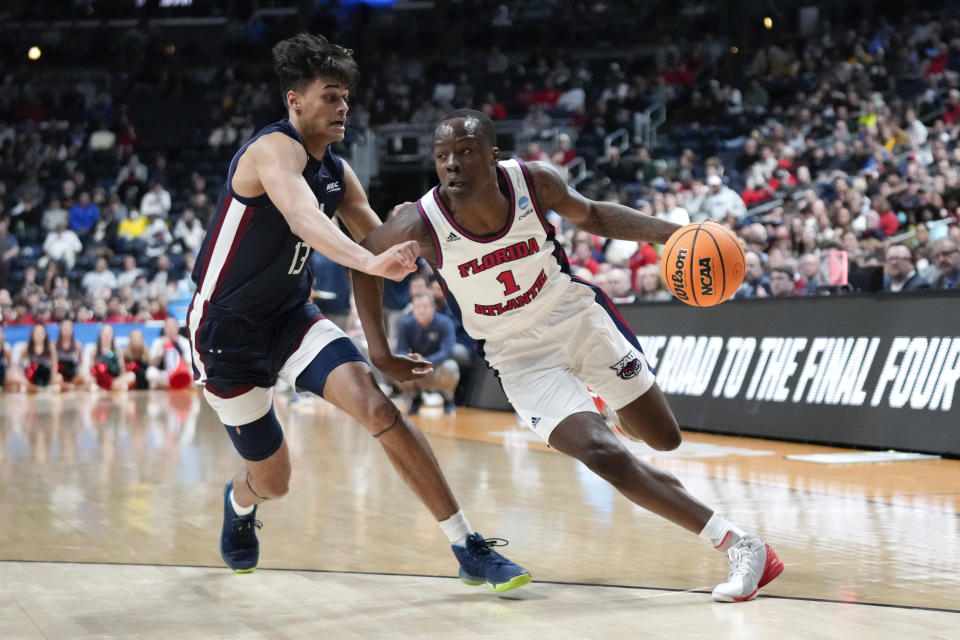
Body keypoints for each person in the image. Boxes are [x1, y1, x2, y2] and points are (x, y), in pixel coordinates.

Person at [352, 109, 783, 603]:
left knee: (663, 439)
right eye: (442, 156)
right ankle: (742, 545)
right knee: (604, 456)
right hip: (517, 356)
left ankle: (606, 405)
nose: (452, 165)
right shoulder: (421, 222)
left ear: (493, 155)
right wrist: (380, 352)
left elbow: (594, 214)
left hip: (578, 321)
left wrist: (672, 234)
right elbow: (363, 266)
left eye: (465, 152)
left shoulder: (534, 183)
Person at [186, 35, 529, 591]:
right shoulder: (270, 151)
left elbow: (373, 234)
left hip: (293, 318)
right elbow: (304, 219)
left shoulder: (338, 172)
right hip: (225, 333)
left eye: (346, 97)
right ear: (296, 100)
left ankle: (467, 545)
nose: (344, 107)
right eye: (331, 96)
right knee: (274, 480)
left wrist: (408, 230)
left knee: (376, 407)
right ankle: (240, 500)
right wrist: (370, 253)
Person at [395, 292, 459, 414]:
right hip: (416, 366)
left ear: (433, 307)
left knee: (451, 367)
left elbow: (447, 351)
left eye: (425, 306)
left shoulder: (445, 323)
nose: (421, 310)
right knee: (396, 369)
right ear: (413, 309)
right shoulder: (406, 324)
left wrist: (426, 361)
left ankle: (448, 397)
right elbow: (401, 350)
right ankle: (415, 397)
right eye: (417, 307)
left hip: (437, 366)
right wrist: (410, 359)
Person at [19, 323, 60, 392]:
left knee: (58, 378)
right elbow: (19, 366)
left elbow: (54, 366)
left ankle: (43, 389)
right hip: (32, 379)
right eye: (36, 332)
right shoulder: (26, 348)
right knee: (20, 381)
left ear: (45, 335)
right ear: (32, 334)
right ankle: (36, 389)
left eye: (41, 332)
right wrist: (24, 377)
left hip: (46, 376)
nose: (39, 334)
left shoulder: (50, 348)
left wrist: (52, 378)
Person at [55, 319, 90, 390]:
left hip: (72, 374)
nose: (67, 330)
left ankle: (69, 386)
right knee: (57, 379)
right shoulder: (54, 345)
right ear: (60, 329)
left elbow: (81, 362)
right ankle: (67, 386)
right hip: (59, 373)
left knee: (84, 378)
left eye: (69, 327)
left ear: (72, 329)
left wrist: (79, 370)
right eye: (65, 328)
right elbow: (52, 363)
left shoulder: (77, 344)